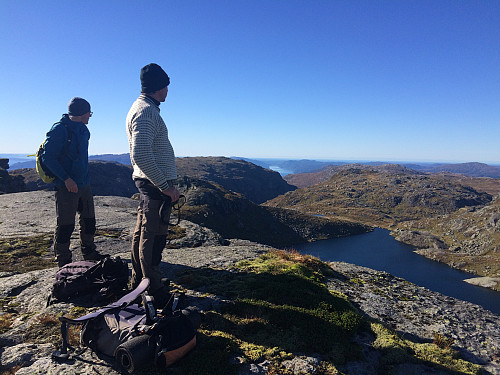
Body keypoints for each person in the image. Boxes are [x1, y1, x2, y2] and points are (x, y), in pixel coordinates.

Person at [126, 63, 180, 307]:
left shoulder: (144, 108)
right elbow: (142, 154)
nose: (168, 90)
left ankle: (141, 282)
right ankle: (152, 289)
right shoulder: (147, 111)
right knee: (153, 237)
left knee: (143, 233)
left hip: (150, 184)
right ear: (160, 86)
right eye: (166, 85)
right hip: (155, 186)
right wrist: (165, 186)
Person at [42, 97, 106, 267]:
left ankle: (89, 252)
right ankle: (63, 259)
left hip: (84, 183)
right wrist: (66, 179)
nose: (90, 117)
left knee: (89, 220)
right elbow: (47, 157)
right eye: (89, 113)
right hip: (66, 186)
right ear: (80, 114)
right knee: (65, 224)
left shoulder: (84, 130)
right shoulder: (59, 130)